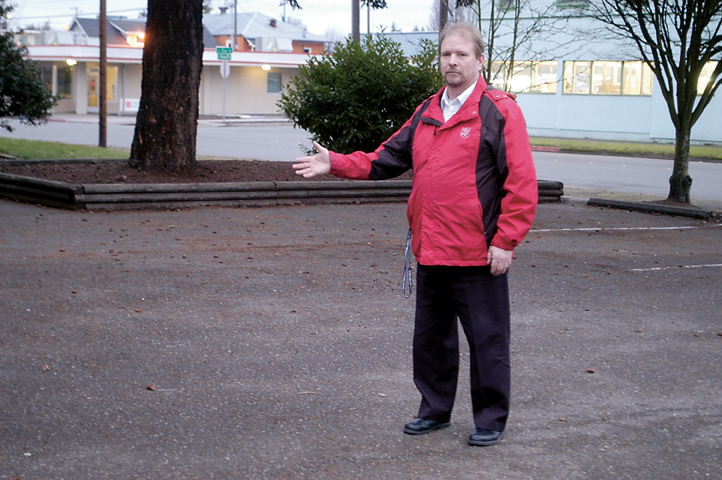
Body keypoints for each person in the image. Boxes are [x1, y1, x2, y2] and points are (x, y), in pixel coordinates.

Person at [292, 21, 538, 447]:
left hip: (478, 253)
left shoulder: (498, 111)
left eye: (462, 54)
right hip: (431, 249)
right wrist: (336, 163)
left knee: (487, 341)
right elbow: (384, 159)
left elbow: (521, 181)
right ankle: (434, 410)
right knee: (431, 340)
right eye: (446, 54)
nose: (452, 61)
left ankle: (490, 419)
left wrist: (505, 241)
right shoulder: (427, 111)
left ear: (479, 60)